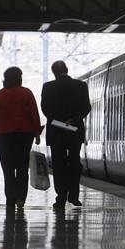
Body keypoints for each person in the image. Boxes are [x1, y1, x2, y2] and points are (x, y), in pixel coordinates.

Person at [0, 67, 41, 209]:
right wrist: (37, 133)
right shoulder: (27, 93)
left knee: (8, 168)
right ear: (19, 78)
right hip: (24, 134)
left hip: (4, 136)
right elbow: (34, 114)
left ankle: (10, 198)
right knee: (22, 168)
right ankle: (21, 198)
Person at [41, 61, 91, 210]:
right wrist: (72, 121)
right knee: (75, 162)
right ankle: (74, 196)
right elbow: (86, 107)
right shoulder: (81, 86)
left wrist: (59, 121)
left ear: (54, 72)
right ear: (67, 70)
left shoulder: (48, 87)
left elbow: (45, 108)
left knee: (58, 164)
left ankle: (61, 197)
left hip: (56, 131)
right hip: (75, 131)